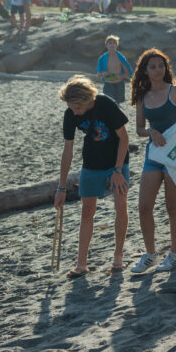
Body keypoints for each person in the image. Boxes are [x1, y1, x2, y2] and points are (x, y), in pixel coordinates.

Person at [54, 76, 130, 278]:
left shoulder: (105, 104)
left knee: (120, 206)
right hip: (91, 164)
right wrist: (61, 188)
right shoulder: (70, 114)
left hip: (117, 161)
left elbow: (124, 138)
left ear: (87, 100)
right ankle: (81, 265)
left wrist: (118, 170)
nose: (74, 112)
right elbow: (67, 151)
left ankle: (118, 257)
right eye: (71, 108)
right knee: (87, 211)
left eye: (77, 108)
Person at [130, 49, 176, 274]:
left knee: (172, 207)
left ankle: (174, 255)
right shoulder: (142, 97)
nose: (158, 70)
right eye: (153, 66)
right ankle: (151, 255)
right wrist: (151, 132)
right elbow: (139, 129)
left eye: (161, 65)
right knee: (144, 206)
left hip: (175, 157)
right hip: (154, 156)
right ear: (145, 70)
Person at [97, 34, 133, 104]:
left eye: (114, 43)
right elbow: (98, 74)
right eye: (110, 43)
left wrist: (121, 76)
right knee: (108, 104)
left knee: (117, 104)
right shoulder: (102, 58)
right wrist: (103, 74)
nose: (112, 45)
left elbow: (127, 72)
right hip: (108, 84)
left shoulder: (121, 58)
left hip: (119, 84)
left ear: (117, 45)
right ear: (106, 45)